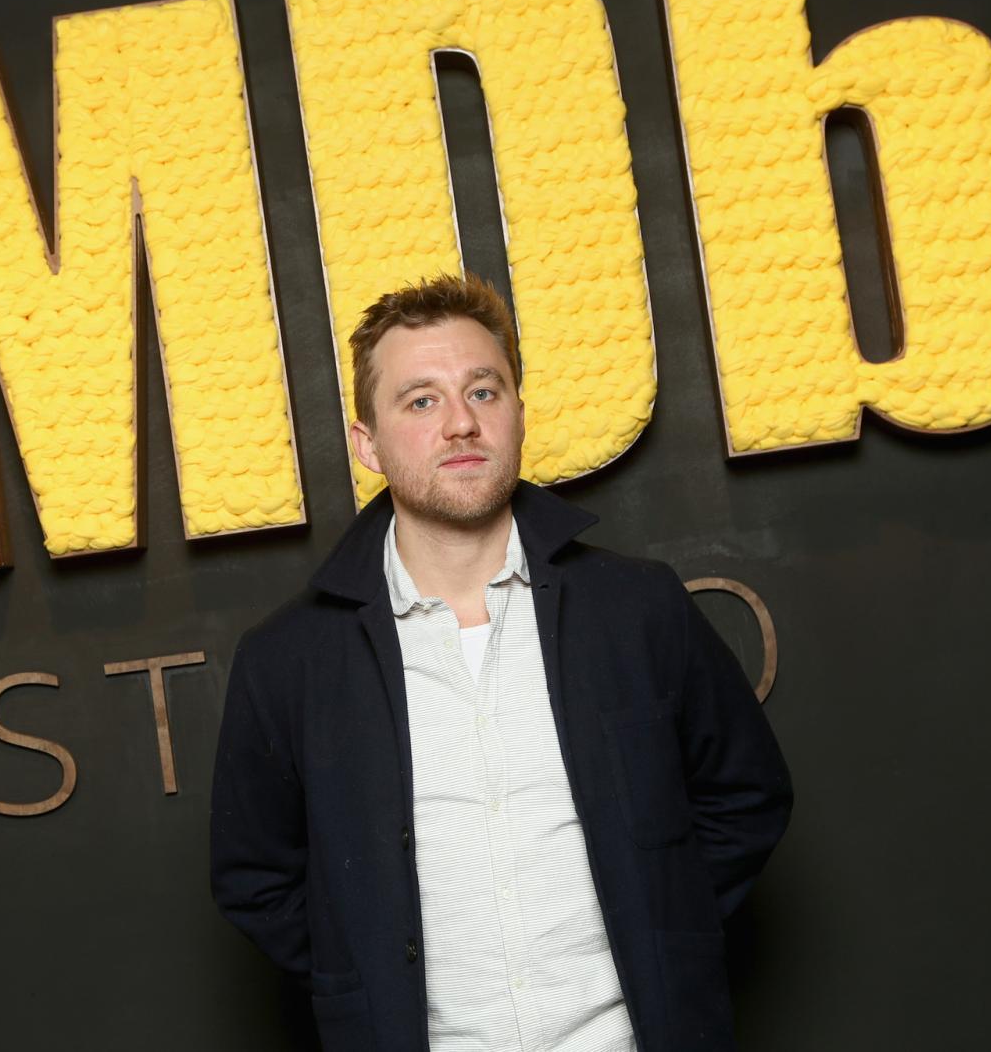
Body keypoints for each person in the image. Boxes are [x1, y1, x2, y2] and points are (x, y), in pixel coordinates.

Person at [209, 272, 793, 1051]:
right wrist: (369, 967)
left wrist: (662, 923)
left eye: (483, 391)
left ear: (518, 412)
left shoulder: (636, 607)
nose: (460, 423)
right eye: (421, 400)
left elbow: (746, 795)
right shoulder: (288, 661)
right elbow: (254, 877)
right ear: (367, 444)